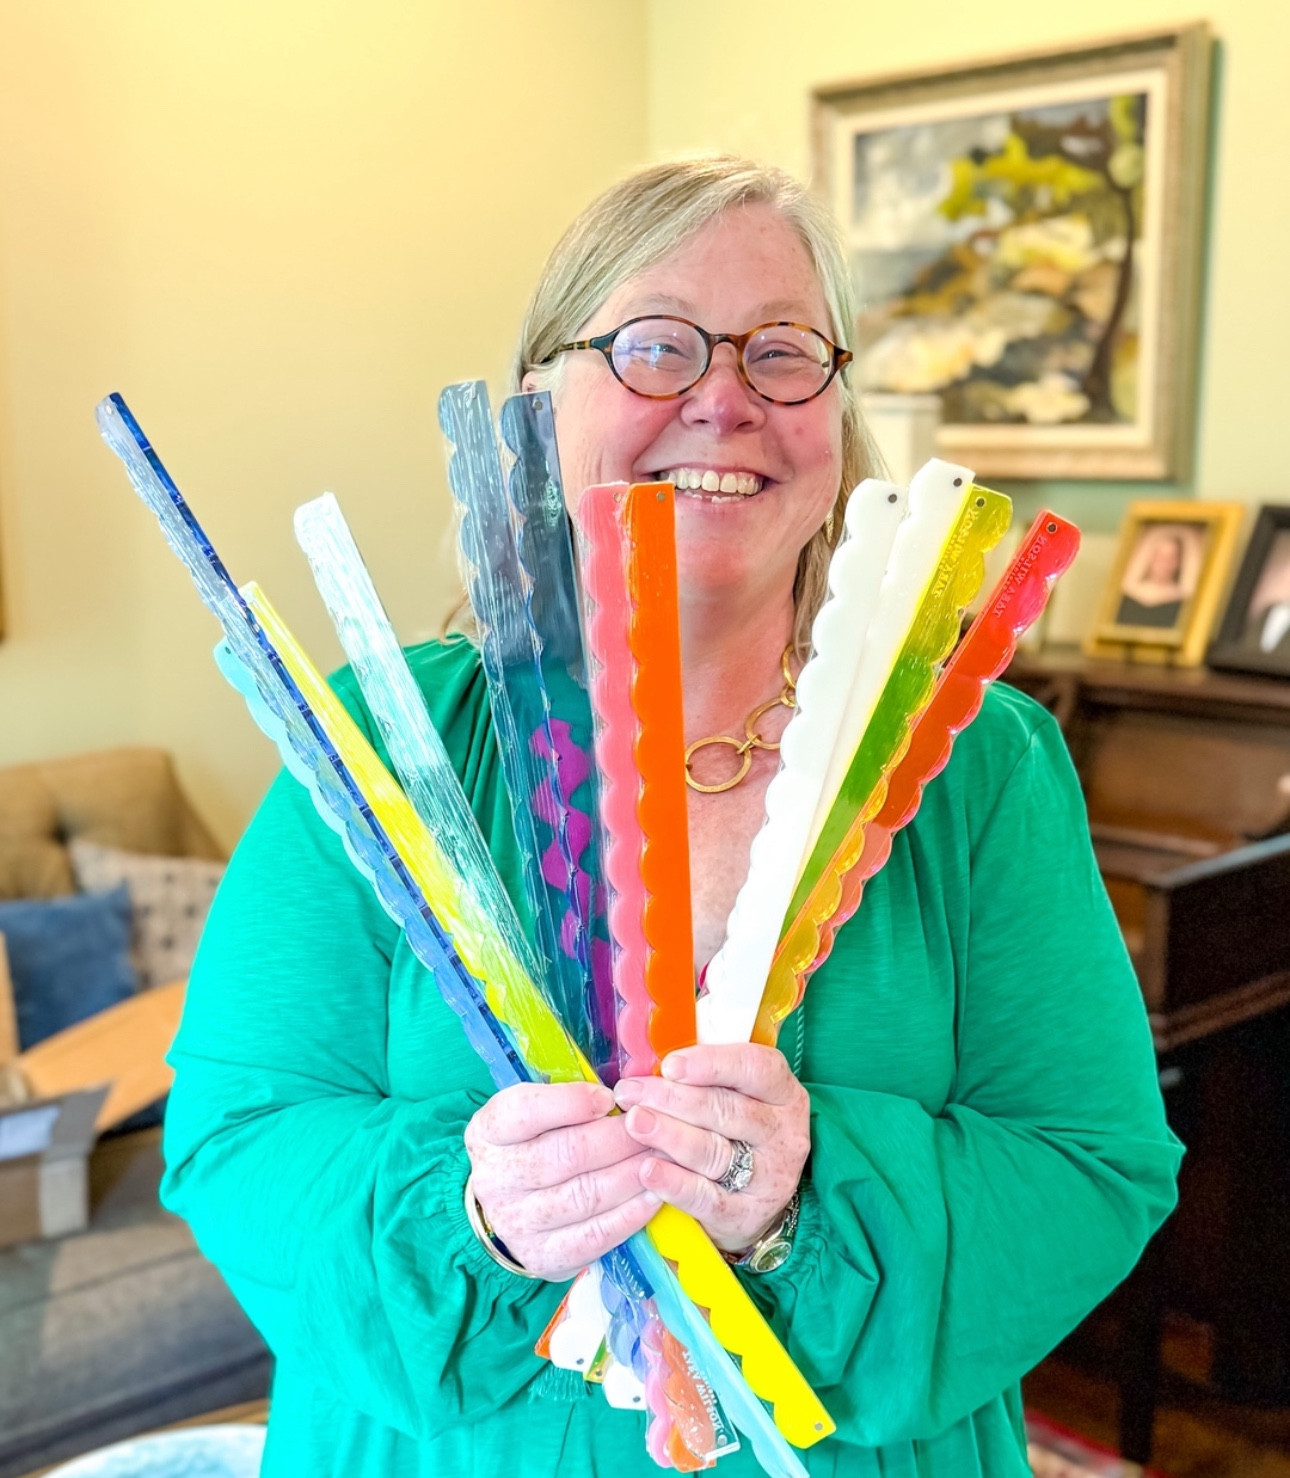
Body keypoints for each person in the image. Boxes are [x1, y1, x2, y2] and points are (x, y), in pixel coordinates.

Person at [161, 157, 1180, 1478]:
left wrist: (801, 1199)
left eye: (781, 352)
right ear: (537, 402)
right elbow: (240, 1136)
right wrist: (476, 1208)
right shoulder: (376, 742)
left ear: (838, 414)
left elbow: (1088, 1163)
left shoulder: (982, 765)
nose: (721, 399)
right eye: (652, 346)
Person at [1114, 526, 1197, 631]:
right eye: (1159, 556)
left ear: (1178, 562)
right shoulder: (1130, 593)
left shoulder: (1182, 597)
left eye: (1170, 558)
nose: (1164, 563)